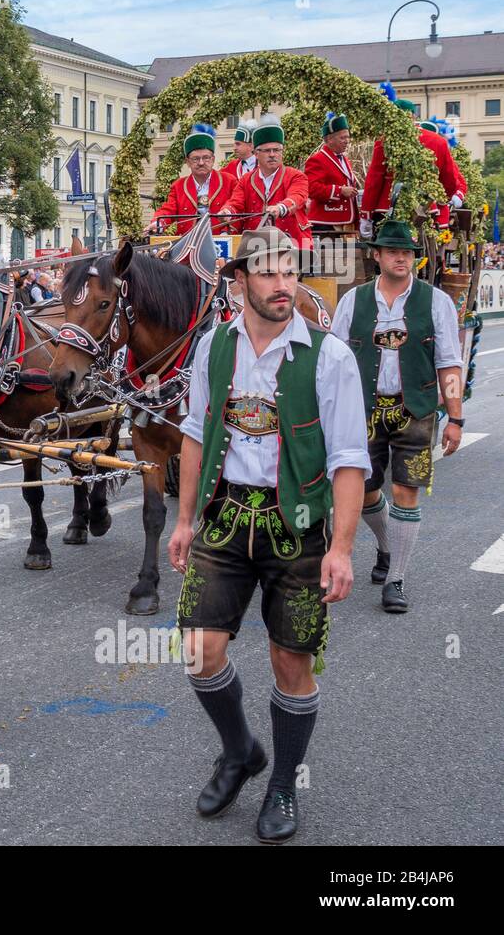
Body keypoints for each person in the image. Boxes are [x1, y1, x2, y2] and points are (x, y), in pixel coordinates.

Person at [167, 226, 369, 844]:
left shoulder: (330, 357)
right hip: (226, 517)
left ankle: (283, 782)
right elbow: (198, 434)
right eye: (270, 273)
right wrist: (183, 518)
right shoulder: (214, 347)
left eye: (290, 271)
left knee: (291, 661)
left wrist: (341, 548)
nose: (285, 284)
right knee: (200, 653)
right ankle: (240, 750)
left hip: (299, 526)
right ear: (240, 282)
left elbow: (349, 460)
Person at [329, 219, 464, 613]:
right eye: (393, 251)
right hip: (363, 410)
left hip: (416, 410)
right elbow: (335, 360)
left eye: (407, 252)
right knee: (365, 491)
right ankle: (387, 547)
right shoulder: (354, 301)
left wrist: (455, 419)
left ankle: (396, 579)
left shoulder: (435, 301)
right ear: (377, 256)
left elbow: (450, 364)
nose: (401, 257)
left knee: (406, 490)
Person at [360, 98, 466, 236]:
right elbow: (449, 180)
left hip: (388, 209)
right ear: (413, 116)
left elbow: (374, 181)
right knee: (424, 253)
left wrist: (366, 215)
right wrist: (443, 199)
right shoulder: (438, 141)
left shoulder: (384, 141)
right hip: (426, 209)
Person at [220, 114, 312, 248]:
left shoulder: (296, 176)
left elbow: (297, 197)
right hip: (256, 246)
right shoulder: (246, 180)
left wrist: (281, 208)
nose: (273, 154)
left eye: (277, 150)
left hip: (292, 244)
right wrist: (227, 212)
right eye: (267, 150)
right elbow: (235, 202)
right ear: (256, 153)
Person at [148, 124, 234, 235]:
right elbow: (168, 210)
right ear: (187, 161)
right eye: (195, 159)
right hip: (188, 244)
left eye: (206, 158)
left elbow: (237, 205)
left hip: (222, 243)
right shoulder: (178, 186)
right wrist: (157, 223)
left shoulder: (229, 181)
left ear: (213, 159)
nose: (201, 163)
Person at [305, 113, 360, 231]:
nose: (347, 141)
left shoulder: (344, 159)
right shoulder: (317, 159)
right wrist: (340, 191)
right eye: (342, 138)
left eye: (348, 137)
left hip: (345, 221)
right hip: (325, 222)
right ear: (329, 139)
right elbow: (312, 189)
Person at [220, 119, 258, 183]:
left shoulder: (263, 165)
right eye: (234, 144)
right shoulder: (232, 166)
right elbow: (215, 177)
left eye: (238, 144)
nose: (234, 148)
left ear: (251, 146)